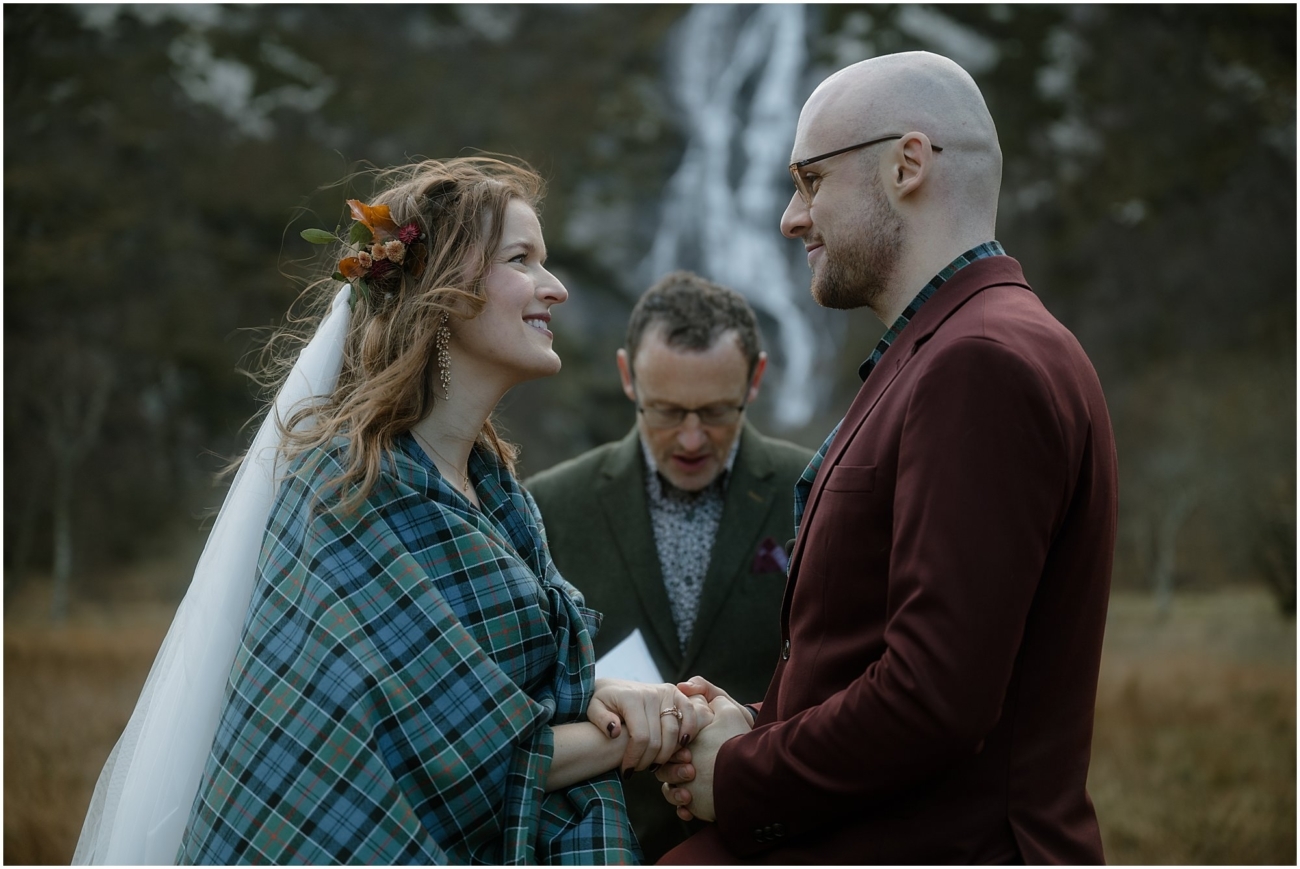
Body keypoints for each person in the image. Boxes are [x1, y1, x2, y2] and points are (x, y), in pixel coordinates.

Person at [75, 157, 712, 865]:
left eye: (547, 260)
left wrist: (612, 689)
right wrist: (665, 726)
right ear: (444, 292)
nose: (555, 287)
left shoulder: (499, 494)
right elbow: (462, 762)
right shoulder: (348, 491)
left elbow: (509, 695)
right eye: (522, 259)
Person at [655, 51, 1119, 864]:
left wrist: (742, 769)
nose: (790, 218)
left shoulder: (982, 364)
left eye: (810, 181)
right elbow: (886, 657)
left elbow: (936, 699)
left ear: (908, 164)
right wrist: (758, 721)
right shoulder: (958, 347)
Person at [525, 271, 812, 860]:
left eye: (713, 412)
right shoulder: (546, 507)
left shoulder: (815, 490)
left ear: (755, 379)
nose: (689, 439)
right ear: (629, 376)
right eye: (665, 411)